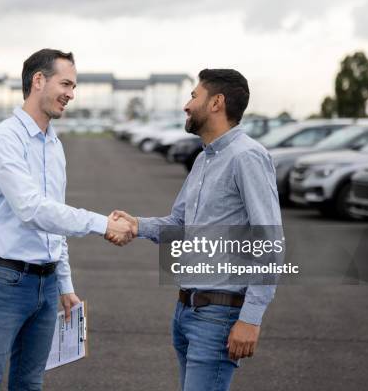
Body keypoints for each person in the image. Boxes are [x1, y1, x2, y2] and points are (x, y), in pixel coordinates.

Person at [0, 48, 133, 391]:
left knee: (30, 383)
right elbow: (32, 210)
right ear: (38, 80)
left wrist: (65, 284)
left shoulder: (53, 145)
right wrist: (101, 223)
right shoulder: (5, 139)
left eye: (74, 87)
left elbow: (54, 223)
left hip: (46, 287)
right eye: (66, 84)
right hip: (5, 281)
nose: (71, 94)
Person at [108, 69, 282, 391]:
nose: (187, 105)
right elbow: (180, 225)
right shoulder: (204, 160)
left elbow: (269, 241)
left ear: (216, 102)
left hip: (218, 315)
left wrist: (251, 318)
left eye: (193, 96)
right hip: (186, 311)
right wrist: (137, 225)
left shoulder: (247, 157)